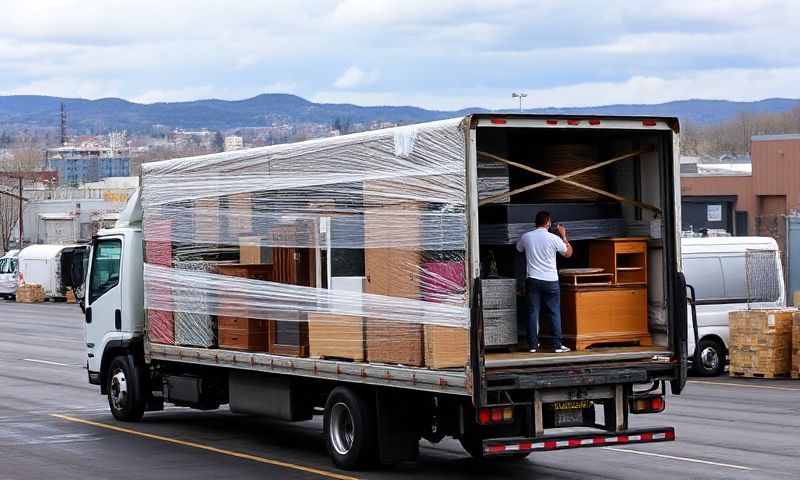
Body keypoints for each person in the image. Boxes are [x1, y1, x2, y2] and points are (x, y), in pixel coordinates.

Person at [515, 211, 573, 353]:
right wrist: (564, 236)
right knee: (554, 312)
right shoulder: (553, 238)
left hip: (533, 279)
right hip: (551, 280)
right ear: (548, 222)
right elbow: (568, 253)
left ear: (535, 222)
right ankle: (557, 345)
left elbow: (518, 248)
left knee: (532, 312)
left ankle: (533, 346)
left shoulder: (526, 237)